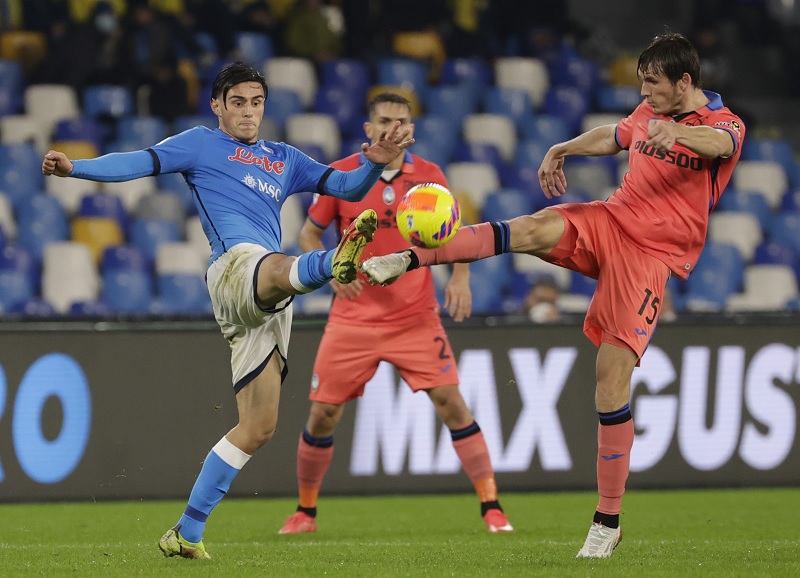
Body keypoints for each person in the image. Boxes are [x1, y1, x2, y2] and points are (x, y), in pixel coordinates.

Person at [361, 32, 745, 558]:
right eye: (641, 84)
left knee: (609, 385)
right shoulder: (648, 112)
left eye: (653, 85)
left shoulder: (724, 124)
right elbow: (617, 134)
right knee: (533, 227)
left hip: (651, 258)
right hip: (613, 221)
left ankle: (607, 522)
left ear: (684, 82)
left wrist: (673, 131)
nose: (644, 93)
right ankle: (411, 259)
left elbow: (718, 146)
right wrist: (561, 147)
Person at [41, 62, 414, 560]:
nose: (248, 111)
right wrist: (76, 169)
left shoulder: (284, 158)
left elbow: (345, 189)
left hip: (267, 298)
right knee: (278, 263)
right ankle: (333, 260)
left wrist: (375, 163)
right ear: (217, 105)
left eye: (256, 102)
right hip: (237, 270)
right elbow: (137, 161)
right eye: (237, 102)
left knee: (258, 427)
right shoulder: (199, 143)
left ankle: (186, 533)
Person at [278, 92, 514, 536]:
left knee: (453, 405)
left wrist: (460, 278)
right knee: (322, 415)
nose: (393, 128)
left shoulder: (431, 177)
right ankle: (304, 513)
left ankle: (493, 508)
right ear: (369, 129)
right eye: (384, 120)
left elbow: (457, 234)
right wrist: (330, 270)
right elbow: (310, 233)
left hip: (415, 315)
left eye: (401, 120)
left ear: (412, 128)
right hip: (353, 315)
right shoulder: (345, 173)